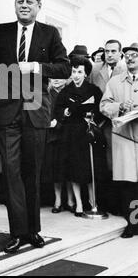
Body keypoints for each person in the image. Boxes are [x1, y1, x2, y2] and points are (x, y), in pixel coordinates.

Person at [0, 0, 71, 253]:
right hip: (6, 111)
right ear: (15, 3)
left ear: (39, 6)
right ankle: (17, 233)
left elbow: (65, 68)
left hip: (35, 109)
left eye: (30, 1)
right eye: (20, 0)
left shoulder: (50, 33)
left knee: (32, 172)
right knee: (11, 173)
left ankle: (33, 230)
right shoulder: (1, 32)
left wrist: (36, 67)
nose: (24, 5)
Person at [54, 56, 107, 217]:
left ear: (85, 74)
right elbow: (58, 110)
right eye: (74, 71)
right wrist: (65, 111)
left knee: (91, 169)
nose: (76, 75)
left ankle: (93, 202)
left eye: (79, 72)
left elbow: (101, 110)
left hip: (88, 133)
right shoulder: (65, 91)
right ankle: (78, 204)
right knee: (74, 169)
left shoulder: (93, 90)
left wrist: (92, 118)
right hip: (70, 134)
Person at [100, 43, 138, 238]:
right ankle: (132, 224)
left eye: (135, 55)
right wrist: (120, 106)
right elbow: (104, 106)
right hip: (123, 138)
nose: (131, 58)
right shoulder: (114, 82)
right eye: (128, 55)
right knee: (128, 184)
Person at [90, 40, 126, 214]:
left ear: (120, 53)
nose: (109, 54)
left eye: (113, 51)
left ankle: (121, 205)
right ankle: (106, 204)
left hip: (122, 124)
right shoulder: (96, 69)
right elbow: (91, 92)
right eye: (107, 51)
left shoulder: (126, 69)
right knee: (102, 163)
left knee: (119, 163)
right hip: (100, 123)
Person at [41, 79, 75, 214]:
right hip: (52, 137)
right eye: (53, 77)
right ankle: (58, 200)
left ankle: (71, 200)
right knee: (56, 170)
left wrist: (60, 123)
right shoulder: (47, 93)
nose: (56, 80)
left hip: (69, 135)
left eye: (59, 77)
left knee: (70, 169)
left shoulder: (70, 92)